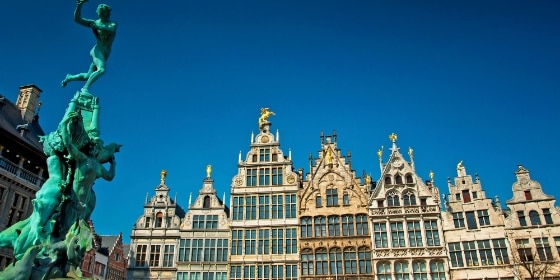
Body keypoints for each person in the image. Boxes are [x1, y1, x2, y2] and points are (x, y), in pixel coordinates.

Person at [62, 0, 117, 93]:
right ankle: (85, 88)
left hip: (105, 52)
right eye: (100, 13)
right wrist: (79, 5)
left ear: (107, 13)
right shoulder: (95, 22)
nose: (101, 15)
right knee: (101, 69)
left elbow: (110, 30)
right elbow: (77, 19)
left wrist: (97, 26)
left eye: (103, 13)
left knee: (88, 76)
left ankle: (69, 77)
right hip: (97, 49)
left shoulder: (112, 24)